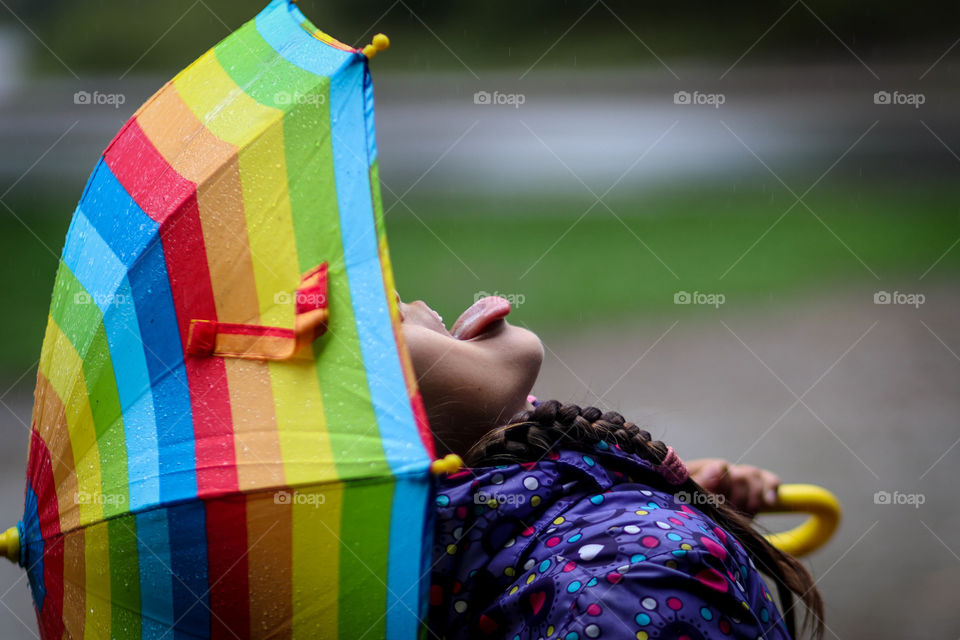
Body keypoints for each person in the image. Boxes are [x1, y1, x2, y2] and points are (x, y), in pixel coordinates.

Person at [398, 294, 825, 640]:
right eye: (378, 318)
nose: (398, 296)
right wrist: (652, 535)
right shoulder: (632, 584)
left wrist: (627, 502)